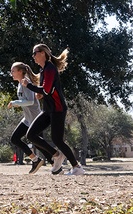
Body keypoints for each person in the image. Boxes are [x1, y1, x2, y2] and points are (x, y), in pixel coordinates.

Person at [25, 44, 84, 176]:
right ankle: (56, 154)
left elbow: (46, 90)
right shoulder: (43, 70)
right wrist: (40, 93)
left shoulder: (50, 68)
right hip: (48, 110)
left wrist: (28, 85)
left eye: (35, 53)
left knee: (57, 140)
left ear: (42, 53)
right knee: (31, 134)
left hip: (57, 109)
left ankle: (77, 167)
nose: (33, 56)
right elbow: (46, 91)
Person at [8, 62, 55, 174]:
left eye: (13, 71)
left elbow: (30, 101)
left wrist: (14, 103)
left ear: (20, 71)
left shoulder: (26, 82)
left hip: (35, 118)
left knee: (40, 145)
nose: (11, 73)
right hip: (27, 119)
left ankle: (56, 166)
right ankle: (35, 159)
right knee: (15, 139)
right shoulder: (20, 84)